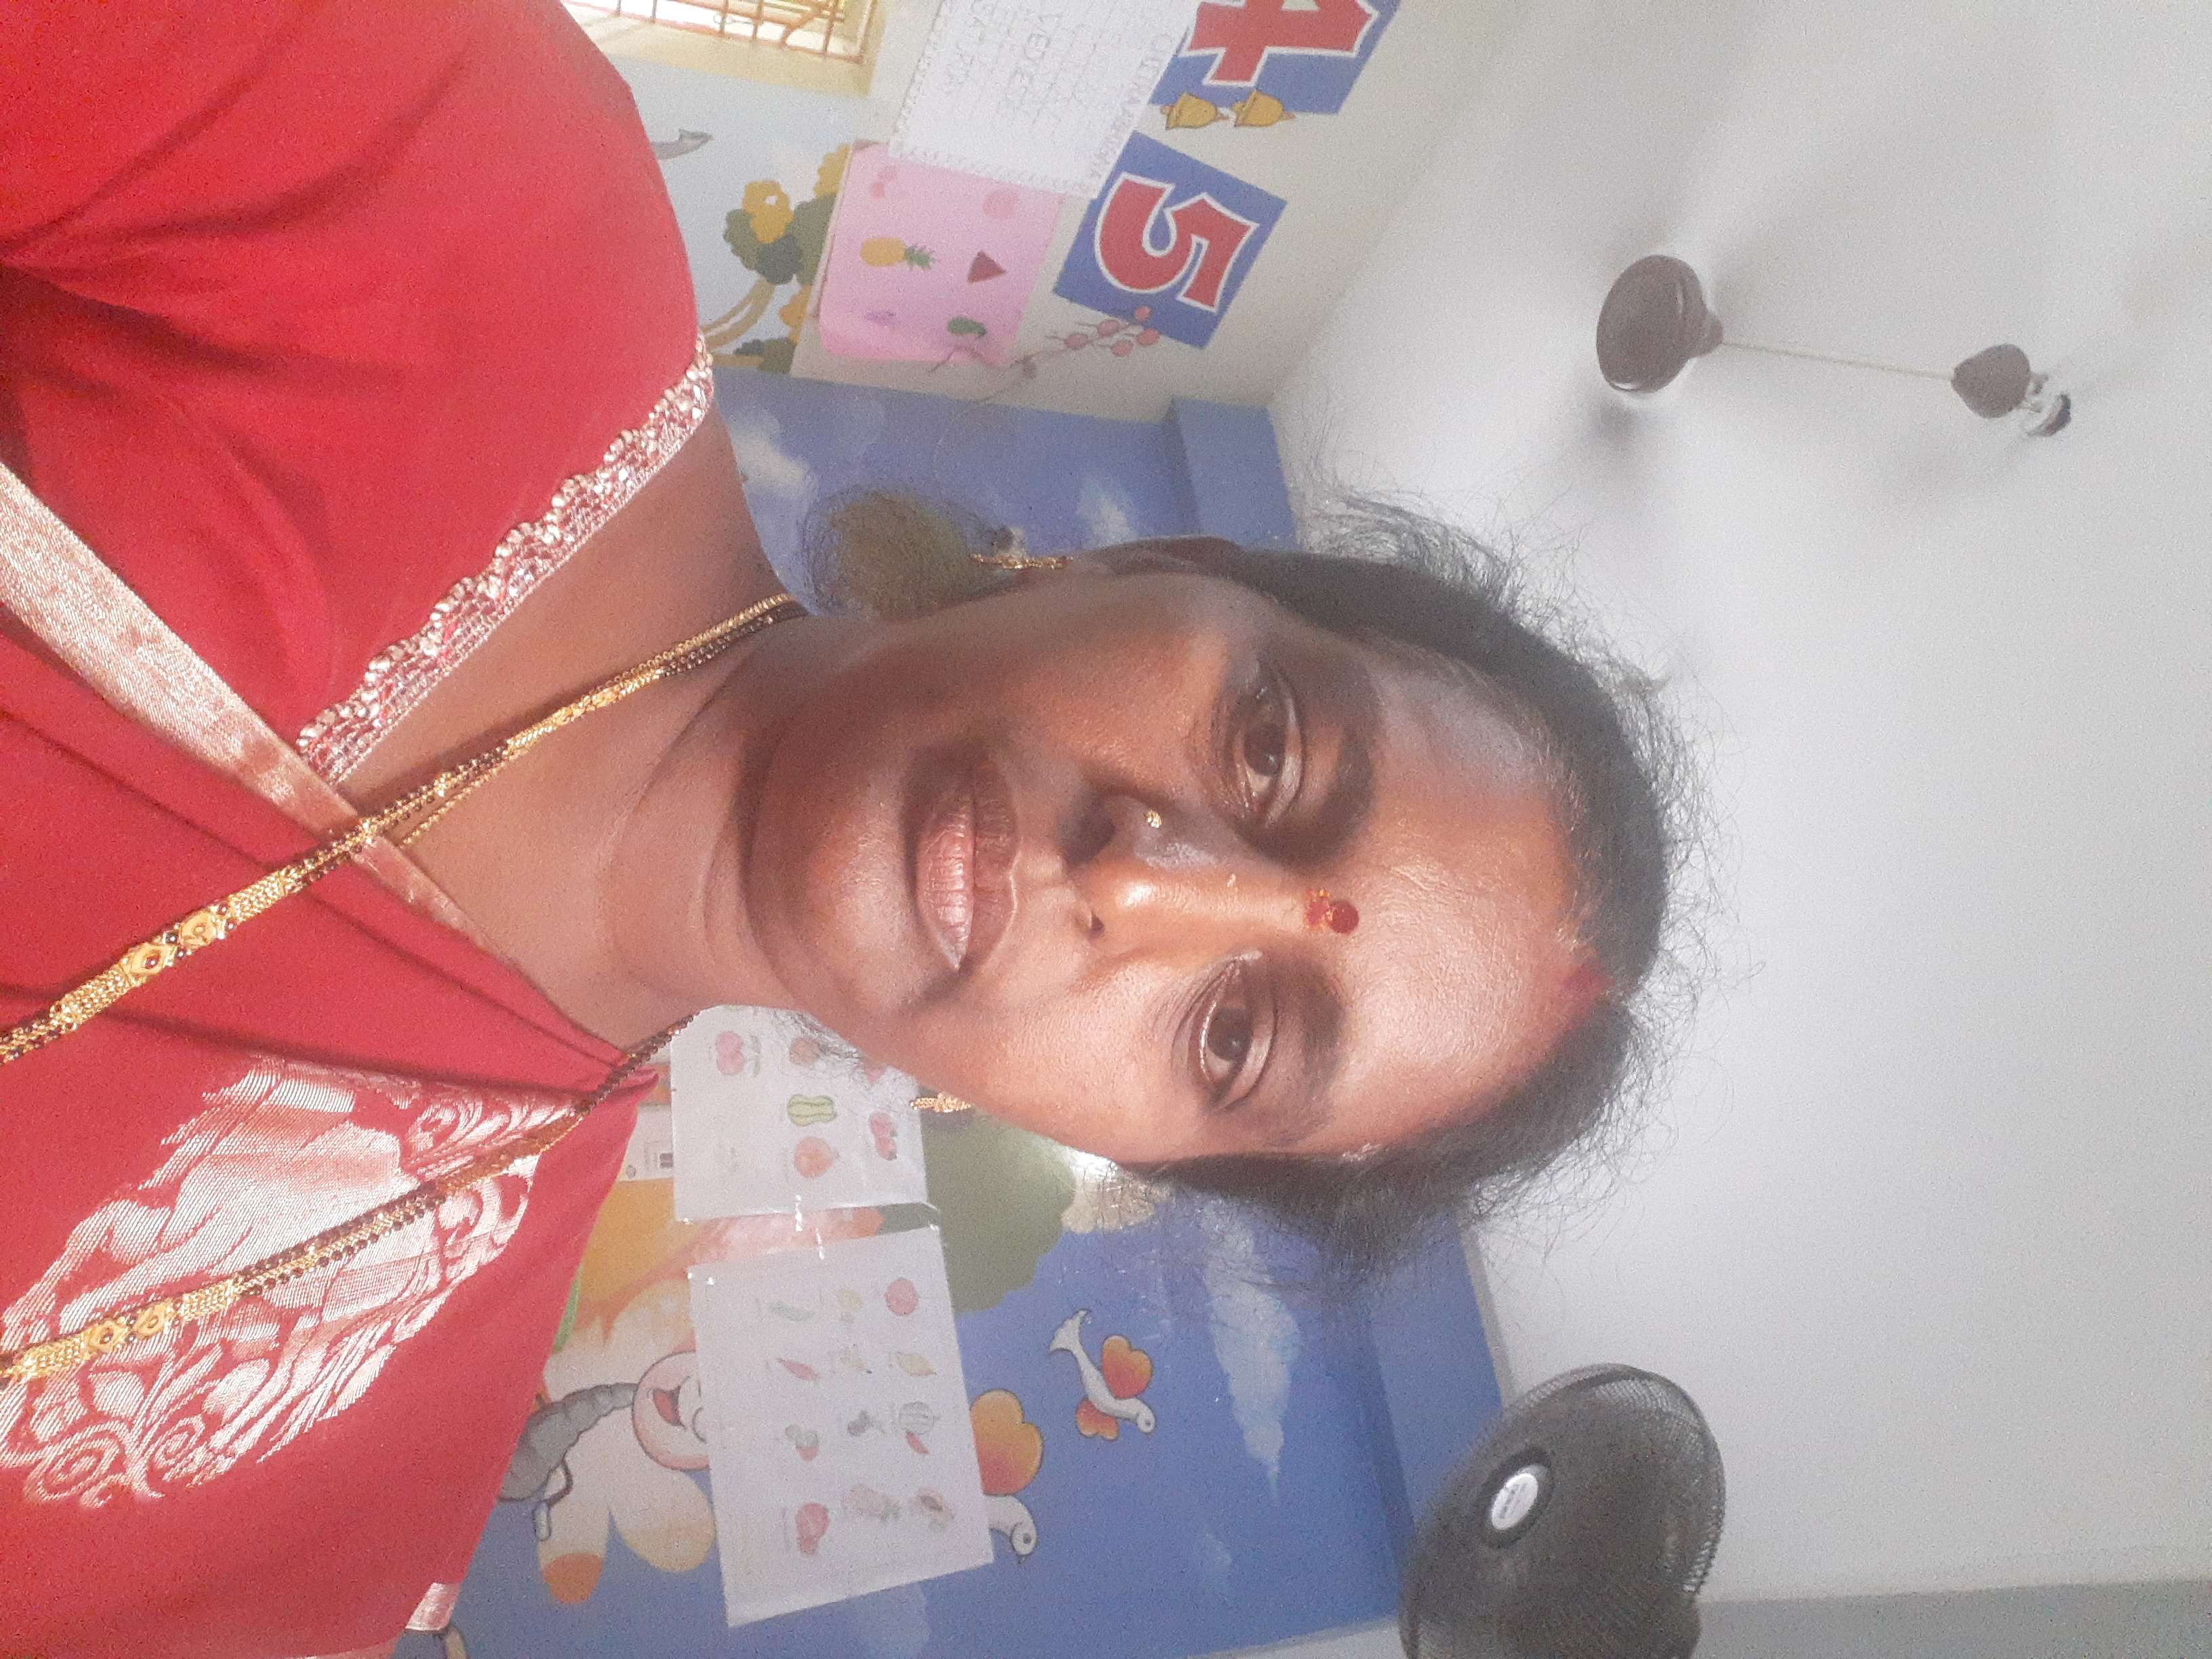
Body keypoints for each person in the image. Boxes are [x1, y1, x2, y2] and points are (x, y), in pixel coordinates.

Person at [0, 3, 1685, 1654]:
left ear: (1119, 1140)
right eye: (1269, 748)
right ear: (1142, 571)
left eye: (1236, 1037)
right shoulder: (454, 187)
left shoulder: (357, 1506)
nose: (1136, 881)